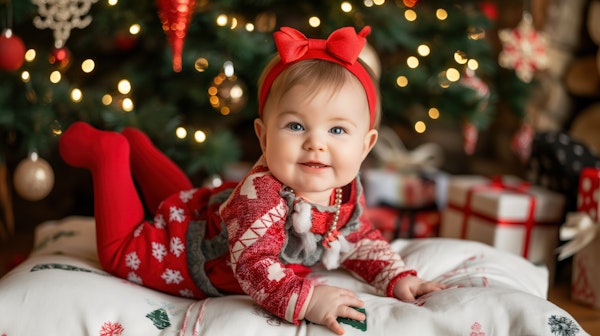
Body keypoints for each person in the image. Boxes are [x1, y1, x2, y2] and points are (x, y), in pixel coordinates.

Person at [59, 25, 447, 335]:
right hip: (181, 251)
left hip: (202, 210)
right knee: (119, 252)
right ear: (263, 137)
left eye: (338, 131)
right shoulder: (260, 197)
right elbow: (255, 267)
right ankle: (107, 153)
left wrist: (395, 277)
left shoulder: (344, 192)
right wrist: (308, 300)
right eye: (296, 126)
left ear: (366, 146)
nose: (316, 143)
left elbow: (358, 237)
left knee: (180, 197)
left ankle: (136, 146)